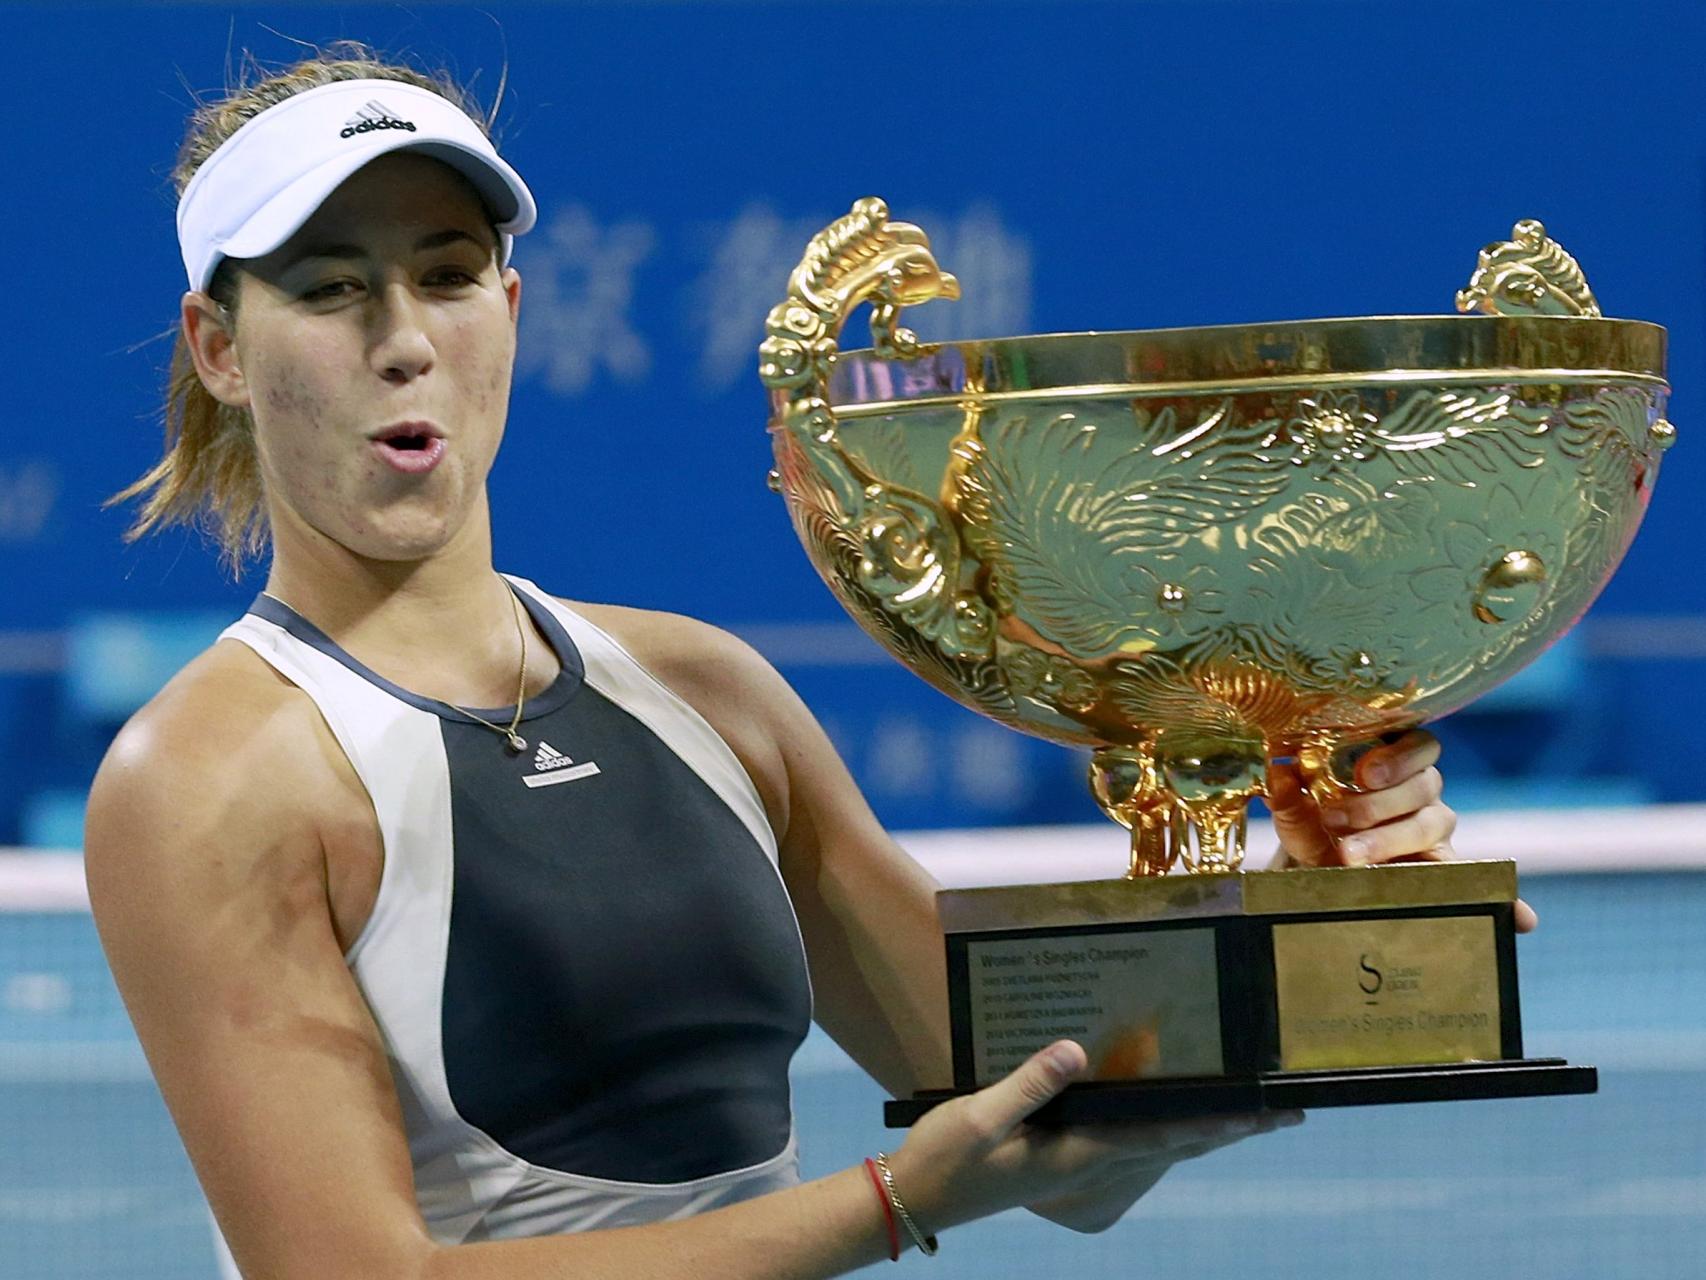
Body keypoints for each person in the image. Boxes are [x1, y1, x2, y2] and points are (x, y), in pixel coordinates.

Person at [84, 47, 1491, 1280]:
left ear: (511, 305)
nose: (402, 341)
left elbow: (1062, 1133)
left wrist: (1306, 925)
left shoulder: (705, 694)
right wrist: (885, 1206)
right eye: (330, 290)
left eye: (446, 275)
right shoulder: (205, 777)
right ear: (218, 347)